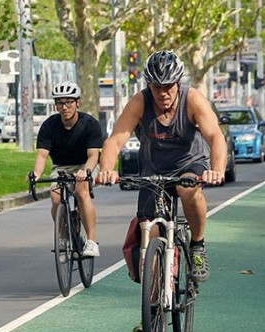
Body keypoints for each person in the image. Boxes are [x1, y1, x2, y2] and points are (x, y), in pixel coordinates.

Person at [98, 50, 227, 288]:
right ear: (149, 85)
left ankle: (197, 245)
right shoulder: (139, 102)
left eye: (168, 86)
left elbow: (215, 136)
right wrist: (107, 169)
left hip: (190, 164)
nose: (163, 93)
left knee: (188, 190)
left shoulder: (193, 99)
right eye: (157, 87)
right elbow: (115, 140)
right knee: (151, 233)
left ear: (178, 83)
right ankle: (153, 309)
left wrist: (217, 169)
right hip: (154, 171)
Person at [28, 81, 104, 257]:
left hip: (85, 164)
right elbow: (41, 155)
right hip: (61, 166)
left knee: (82, 191)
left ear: (78, 103)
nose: (64, 107)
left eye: (69, 102)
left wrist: (85, 172)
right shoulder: (49, 125)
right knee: (55, 197)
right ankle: (64, 238)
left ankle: (92, 242)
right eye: (60, 103)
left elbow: (93, 156)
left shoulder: (89, 124)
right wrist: (36, 173)